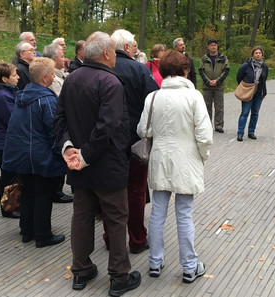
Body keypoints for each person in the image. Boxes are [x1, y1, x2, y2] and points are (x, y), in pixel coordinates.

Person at [55, 31, 141, 296]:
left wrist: (69, 149)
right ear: (106, 53)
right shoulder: (110, 82)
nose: (116, 55)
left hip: (80, 163)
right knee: (115, 218)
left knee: (81, 215)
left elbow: (59, 120)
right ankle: (119, 276)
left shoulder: (72, 78)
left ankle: (80, 269)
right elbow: (107, 127)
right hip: (105, 164)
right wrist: (82, 155)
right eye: (114, 51)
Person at [137, 49, 213, 283]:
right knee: (184, 213)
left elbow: (143, 130)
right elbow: (204, 134)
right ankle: (189, 266)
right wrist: (202, 155)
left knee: (158, 212)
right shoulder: (194, 97)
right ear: (185, 70)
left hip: (160, 158)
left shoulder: (153, 97)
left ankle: (155, 262)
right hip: (186, 158)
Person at [2, 57, 66, 248]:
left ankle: (27, 230)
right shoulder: (46, 100)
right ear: (45, 77)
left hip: (22, 156)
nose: (55, 76)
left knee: (28, 192)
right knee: (44, 195)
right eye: (53, 73)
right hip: (41, 156)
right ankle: (43, 235)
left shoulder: (21, 96)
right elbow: (53, 131)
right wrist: (60, 152)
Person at [107, 29, 159, 254]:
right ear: (127, 47)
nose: (136, 48)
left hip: (106, 140)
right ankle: (137, 239)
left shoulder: (101, 68)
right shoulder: (139, 70)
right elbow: (155, 100)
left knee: (109, 191)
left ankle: (111, 238)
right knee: (136, 190)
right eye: (134, 44)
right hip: (135, 141)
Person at [0, 62, 20, 219]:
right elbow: (11, 118)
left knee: (12, 174)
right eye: (14, 75)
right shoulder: (2, 96)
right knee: (8, 174)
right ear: (5, 79)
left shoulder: (9, 92)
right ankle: (7, 206)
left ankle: (13, 203)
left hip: (8, 139)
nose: (18, 77)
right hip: (4, 140)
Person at [42, 42, 73, 204]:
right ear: (54, 60)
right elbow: (62, 100)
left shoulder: (61, 74)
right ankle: (56, 190)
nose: (65, 59)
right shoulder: (53, 79)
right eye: (61, 56)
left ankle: (57, 189)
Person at [236, 46, 269, 141]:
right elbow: (239, 76)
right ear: (252, 54)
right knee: (245, 112)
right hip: (248, 91)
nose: (258, 54)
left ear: (262, 55)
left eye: (259, 53)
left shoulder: (264, 66)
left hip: (259, 92)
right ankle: (240, 133)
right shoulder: (246, 65)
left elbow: (264, 78)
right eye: (256, 53)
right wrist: (244, 86)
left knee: (255, 113)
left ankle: (251, 132)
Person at [199, 39, 230, 133]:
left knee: (219, 106)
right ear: (208, 47)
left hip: (218, 86)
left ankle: (218, 125)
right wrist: (208, 81)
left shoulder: (223, 58)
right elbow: (201, 70)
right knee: (207, 107)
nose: (213, 47)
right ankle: (207, 125)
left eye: (215, 45)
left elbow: (226, 70)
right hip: (207, 86)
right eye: (211, 45)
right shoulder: (204, 58)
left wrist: (218, 81)